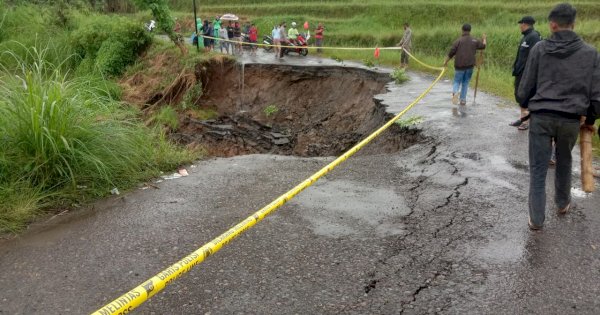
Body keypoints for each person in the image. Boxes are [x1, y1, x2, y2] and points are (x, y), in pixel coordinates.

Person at [517, 3, 600, 230]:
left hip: (542, 117)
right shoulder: (591, 53)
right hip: (571, 120)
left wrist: (526, 105)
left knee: (538, 168)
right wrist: (590, 119)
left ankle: (536, 219)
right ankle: (562, 203)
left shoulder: (539, 49)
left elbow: (524, 89)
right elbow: (596, 95)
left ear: (552, 24)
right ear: (574, 23)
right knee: (564, 160)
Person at [509, 16, 542, 130]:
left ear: (525, 24)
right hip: (520, 72)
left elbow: (535, 57)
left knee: (525, 96)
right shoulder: (526, 37)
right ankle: (522, 118)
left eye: (520, 24)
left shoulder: (534, 37)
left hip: (527, 74)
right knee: (520, 95)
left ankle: (526, 122)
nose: (519, 26)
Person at [443, 24, 486, 106]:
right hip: (470, 66)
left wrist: (446, 61)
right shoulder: (475, 40)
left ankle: (455, 93)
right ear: (470, 30)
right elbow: (483, 46)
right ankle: (463, 100)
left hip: (459, 66)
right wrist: (484, 39)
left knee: (457, 81)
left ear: (462, 30)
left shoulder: (458, 41)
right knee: (465, 82)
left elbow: (451, 53)